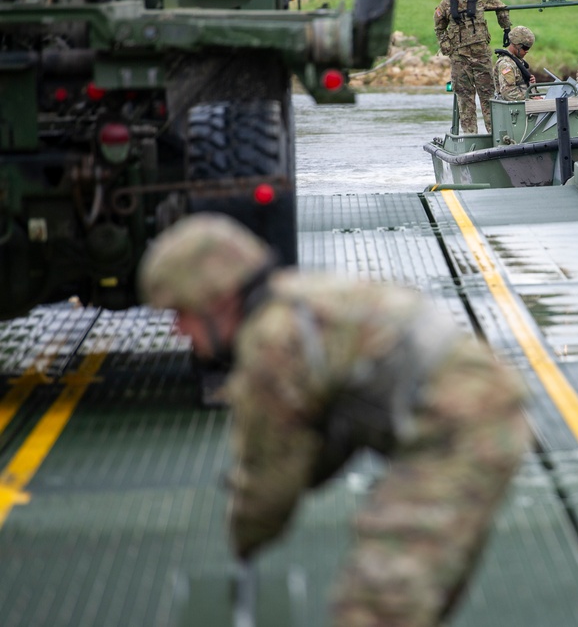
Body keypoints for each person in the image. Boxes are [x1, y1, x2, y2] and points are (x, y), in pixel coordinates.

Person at [138, 214, 531, 626]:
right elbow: (325, 437)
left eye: (182, 312)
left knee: (374, 607)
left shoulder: (271, 344)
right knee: (412, 601)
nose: (178, 329)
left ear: (217, 298)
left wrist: (244, 535)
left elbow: (270, 481)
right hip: (477, 413)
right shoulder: (297, 299)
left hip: (456, 433)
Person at [435, 0, 511, 134]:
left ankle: (495, 134)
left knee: (487, 95)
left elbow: (502, 7)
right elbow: (439, 28)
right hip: (459, 57)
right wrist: (447, 46)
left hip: (481, 55)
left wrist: (506, 28)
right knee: (465, 98)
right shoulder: (446, 4)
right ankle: (470, 137)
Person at [494, 25, 536, 101]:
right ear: (515, 45)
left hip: (525, 105)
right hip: (513, 109)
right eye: (525, 48)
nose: (527, 51)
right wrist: (530, 99)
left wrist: (530, 83)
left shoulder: (517, 62)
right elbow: (508, 92)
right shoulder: (506, 64)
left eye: (529, 48)